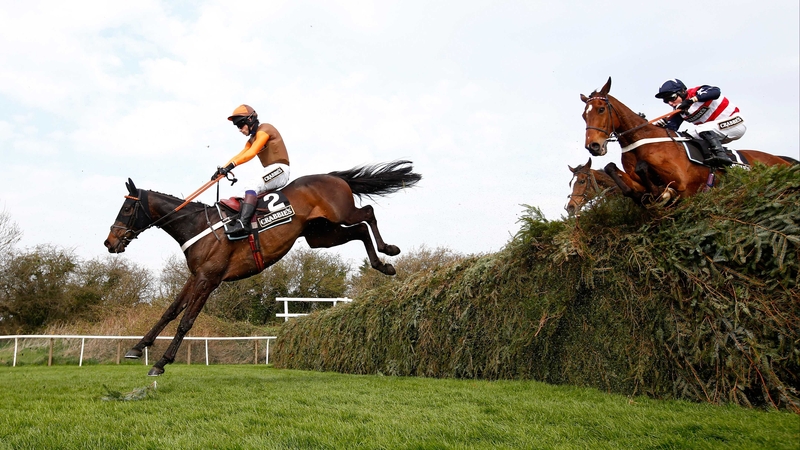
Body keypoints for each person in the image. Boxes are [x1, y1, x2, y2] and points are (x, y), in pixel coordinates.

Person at [211, 104, 290, 237]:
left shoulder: (265, 129)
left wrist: (231, 166)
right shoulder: (251, 139)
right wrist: (222, 169)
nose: (239, 130)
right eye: (237, 127)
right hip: (270, 170)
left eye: (240, 125)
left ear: (250, 120)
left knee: (253, 185)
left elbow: (252, 152)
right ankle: (246, 222)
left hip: (280, 169)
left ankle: (243, 224)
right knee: (243, 193)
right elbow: (240, 155)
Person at [654, 79, 746, 166]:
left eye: (672, 98)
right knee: (684, 138)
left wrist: (691, 100)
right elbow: (671, 130)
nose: (670, 103)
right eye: (666, 101)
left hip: (735, 123)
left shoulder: (697, 92)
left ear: (682, 92)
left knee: (701, 128)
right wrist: (658, 127)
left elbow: (716, 92)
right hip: (717, 132)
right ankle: (708, 160)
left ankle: (722, 156)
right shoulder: (679, 111)